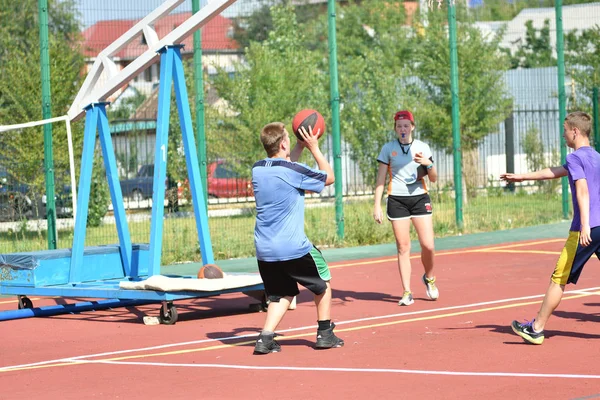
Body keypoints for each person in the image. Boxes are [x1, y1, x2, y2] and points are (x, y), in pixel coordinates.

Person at [501, 111, 600, 345]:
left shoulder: (576, 157)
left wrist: (585, 225)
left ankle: (536, 328)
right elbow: (555, 171)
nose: (563, 134)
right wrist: (522, 177)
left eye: (565, 130)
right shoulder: (596, 156)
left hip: (586, 229)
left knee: (559, 278)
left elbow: (582, 189)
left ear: (575, 131)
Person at [252, 121, 344, 354]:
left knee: (281, 294)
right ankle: (325, 334)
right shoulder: (292, 171)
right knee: (323, 284)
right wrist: (313, 147)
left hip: (264, 249)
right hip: (293, 247)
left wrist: (299, 147)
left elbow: (285, 164)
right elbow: (329, 177)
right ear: (284, 143)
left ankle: (265, 338)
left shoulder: (258, 169)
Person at [373, 110, 439, 306]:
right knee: (403, 247)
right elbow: (380, 179)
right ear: (395, 128)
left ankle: (429, 278)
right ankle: (407, 291)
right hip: (397, 200)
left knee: (428, 245)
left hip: (419, 198)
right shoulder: (388, 149)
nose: (403, 129)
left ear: (413, 127)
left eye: (406, 125)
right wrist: (376, 205)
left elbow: (433, 178)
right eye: (399, 126)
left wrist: (428, 164)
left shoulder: (422, 147)